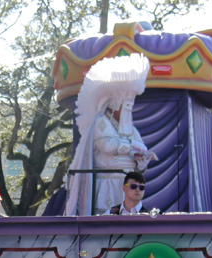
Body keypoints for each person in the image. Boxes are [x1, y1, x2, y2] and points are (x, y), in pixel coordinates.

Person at [65, 53, 157, 216]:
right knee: (107, 218)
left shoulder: (130, 129)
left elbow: (140, 151)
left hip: (127, 185)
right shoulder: (101, 122)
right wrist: (132, 147)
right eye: (125, 106)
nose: (127, 111)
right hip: (107, 184)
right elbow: (107, 145)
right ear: (116, 105)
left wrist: (142, 160)